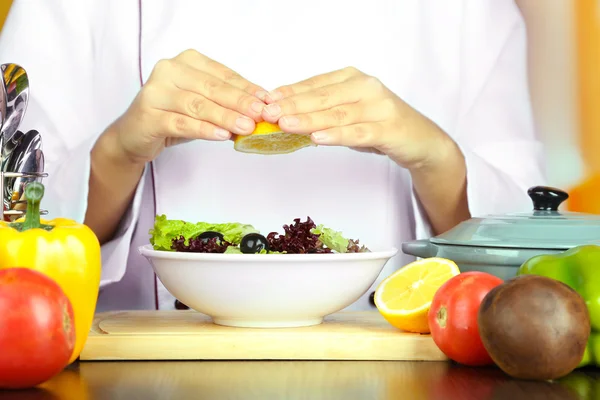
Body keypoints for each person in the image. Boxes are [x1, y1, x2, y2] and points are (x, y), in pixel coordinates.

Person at [0, 0, 546, 312]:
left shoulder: (474, 11)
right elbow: (15, 235)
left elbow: (527, 259)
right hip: (141, 365)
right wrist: (118, 151)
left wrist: (438, 158)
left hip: (395, 369)